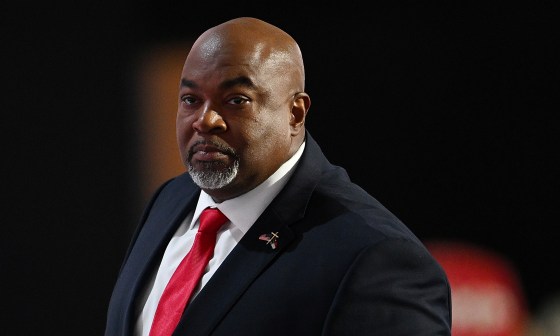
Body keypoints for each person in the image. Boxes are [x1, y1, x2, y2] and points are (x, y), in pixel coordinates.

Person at [105, 17, 452, 336]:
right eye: (191, 99)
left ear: (295, 113)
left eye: (236, 100)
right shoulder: (170, 201)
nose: (205, 120)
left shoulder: (376, 259)